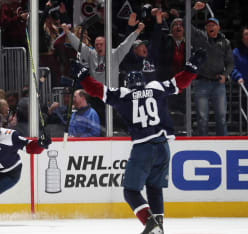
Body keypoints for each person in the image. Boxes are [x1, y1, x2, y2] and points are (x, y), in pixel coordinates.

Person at [71, 49, 207, 234]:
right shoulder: (155, 88)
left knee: (130, 192)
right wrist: (193, 66)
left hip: (143, 148)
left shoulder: (123, 95)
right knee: (154, 187)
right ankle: (159, 228)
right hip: (163, 146)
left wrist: (83, 74)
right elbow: (180, 82)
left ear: (127, 84)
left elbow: (95, 89)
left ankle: (150, 225)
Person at [190, 1, 234, 136]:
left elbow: (230, 63)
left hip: (218, 84)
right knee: (202, 119)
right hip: (201, 82)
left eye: (213, 25)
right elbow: (186, 25)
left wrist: (225, 75)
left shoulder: (225, 42)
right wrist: (193, 10)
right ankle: (203, 145)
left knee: (221, 118)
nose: (210, 27)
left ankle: (223, 144)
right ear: (205, 28)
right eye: (208, 25)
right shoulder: (201, 38)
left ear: (218, 28)